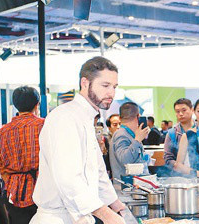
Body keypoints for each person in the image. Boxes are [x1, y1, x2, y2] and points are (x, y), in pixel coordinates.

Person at [31, 57, 127, 224]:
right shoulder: (64, 117)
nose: (111, 93)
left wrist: (116, 204)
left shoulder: (86, 118)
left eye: (114, 87)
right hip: (57, 218)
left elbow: (98, 172)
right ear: (85, 83)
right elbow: (68, 179)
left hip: (79, 217)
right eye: (105, 86)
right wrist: (106, 214)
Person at [0, 86, 44, 224]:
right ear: (37, 104)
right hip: (43, 190)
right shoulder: (45, 126)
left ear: (15, 105)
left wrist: (9, 177)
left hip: (14, 192)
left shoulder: (2, 132)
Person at [110, 102, 150, 180]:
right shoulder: (121, 134)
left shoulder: (130, 134)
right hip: (126, 187)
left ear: (120, 118)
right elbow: (125, 160)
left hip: (135, 185)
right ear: (138, 116)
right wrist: (137, 140)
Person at [163, 98, 194, 170]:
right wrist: (181, 167)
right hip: (180, 175)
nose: (180, 114)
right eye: (177, 111)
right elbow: (168, 158)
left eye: (184, 110)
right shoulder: (172, 133)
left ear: (192, 110)